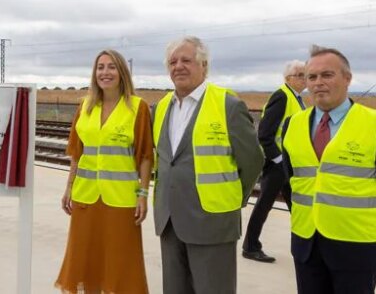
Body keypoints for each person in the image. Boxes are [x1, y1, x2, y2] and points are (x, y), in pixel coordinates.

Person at [151, 36, 263, 294]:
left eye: (186, 60)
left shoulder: (228, 106)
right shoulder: (161, 107)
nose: (178, 66)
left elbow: (254, 161)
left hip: (213, 222)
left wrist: (230, 199)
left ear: (204, 65)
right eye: (173, 62)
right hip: (170, 221)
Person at [55, 50, 153, 294]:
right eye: (100, 67)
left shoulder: (137, 108)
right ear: (94, 73)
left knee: (120, 264)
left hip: (120, 201)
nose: (105, 72)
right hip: (85, 198)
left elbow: (144, 156)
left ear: (122, 72)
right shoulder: (85, 106)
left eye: (111, 67)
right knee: (87, 263)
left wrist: (142, 194)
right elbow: (77, 152)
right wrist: (69, 188)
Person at [281, 45, 376, 293]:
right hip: (305, 241)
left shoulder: (371, 124)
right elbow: (290, 178)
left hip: (356, 243)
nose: (318, 83)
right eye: (311, 77)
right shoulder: (294, 124)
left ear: (347, 78)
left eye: (327, 75)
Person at [242, 60, 306, 263]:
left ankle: (304, 246)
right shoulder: (282, 96)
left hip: (288, 165)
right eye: (301, 75)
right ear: (289, 78)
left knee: (297, 207)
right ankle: (250, 246)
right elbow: (265, 133)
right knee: (264, 205)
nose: (305, 79)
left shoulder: (296, 98)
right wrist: (279, 160)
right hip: (278, 164)